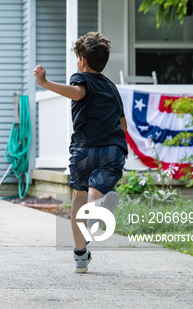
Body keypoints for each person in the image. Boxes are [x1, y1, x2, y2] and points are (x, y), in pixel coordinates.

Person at [33, 31, 127, 273]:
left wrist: (44, 83)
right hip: (112, 149)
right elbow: (122, 124)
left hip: (84, 149)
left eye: (78, 58)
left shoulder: (81, 78)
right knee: (97, 190)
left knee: (78, 198)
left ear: (83, 61)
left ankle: (80, 255)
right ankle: (100, 207)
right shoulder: (112, 88)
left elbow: (77, 93)